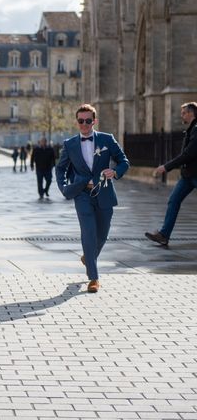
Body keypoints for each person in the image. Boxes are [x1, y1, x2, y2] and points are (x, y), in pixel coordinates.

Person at [55, 104, 129, 293]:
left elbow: (124, 161)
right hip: (82, 194)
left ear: (94, 121)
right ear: (77, 122)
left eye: (88, 121)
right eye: (81, 121)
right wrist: (64, 187)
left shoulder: (106, 139)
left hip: (104, 192)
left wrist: (115, 171)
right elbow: (61, 168)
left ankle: (89, 257)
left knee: (102, 234)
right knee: (88, 232)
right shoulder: (69, 144)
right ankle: (94, 277)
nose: (85, 124)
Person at [145, 102, 197, 246]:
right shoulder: (191, 129)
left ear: (191, 113)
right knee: (173, 200)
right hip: (188, 176)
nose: (182, 115)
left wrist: (166, 167)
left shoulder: (196, 130)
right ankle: (164, 235)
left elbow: (188, 154)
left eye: (184, 113)